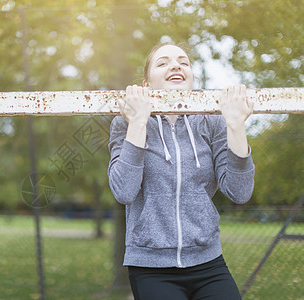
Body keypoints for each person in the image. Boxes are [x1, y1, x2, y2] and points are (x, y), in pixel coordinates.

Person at [107, 42, 255, 300]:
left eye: (183, 62)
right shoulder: (124, 122)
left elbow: (240, 192)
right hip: (151, 266)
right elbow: (124, 191)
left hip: (208, 261)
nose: (175, 65)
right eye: (162, 62)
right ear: (145, 85)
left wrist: (236, 126)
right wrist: (138, 122)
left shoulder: (212, 120)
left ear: (191, 77)